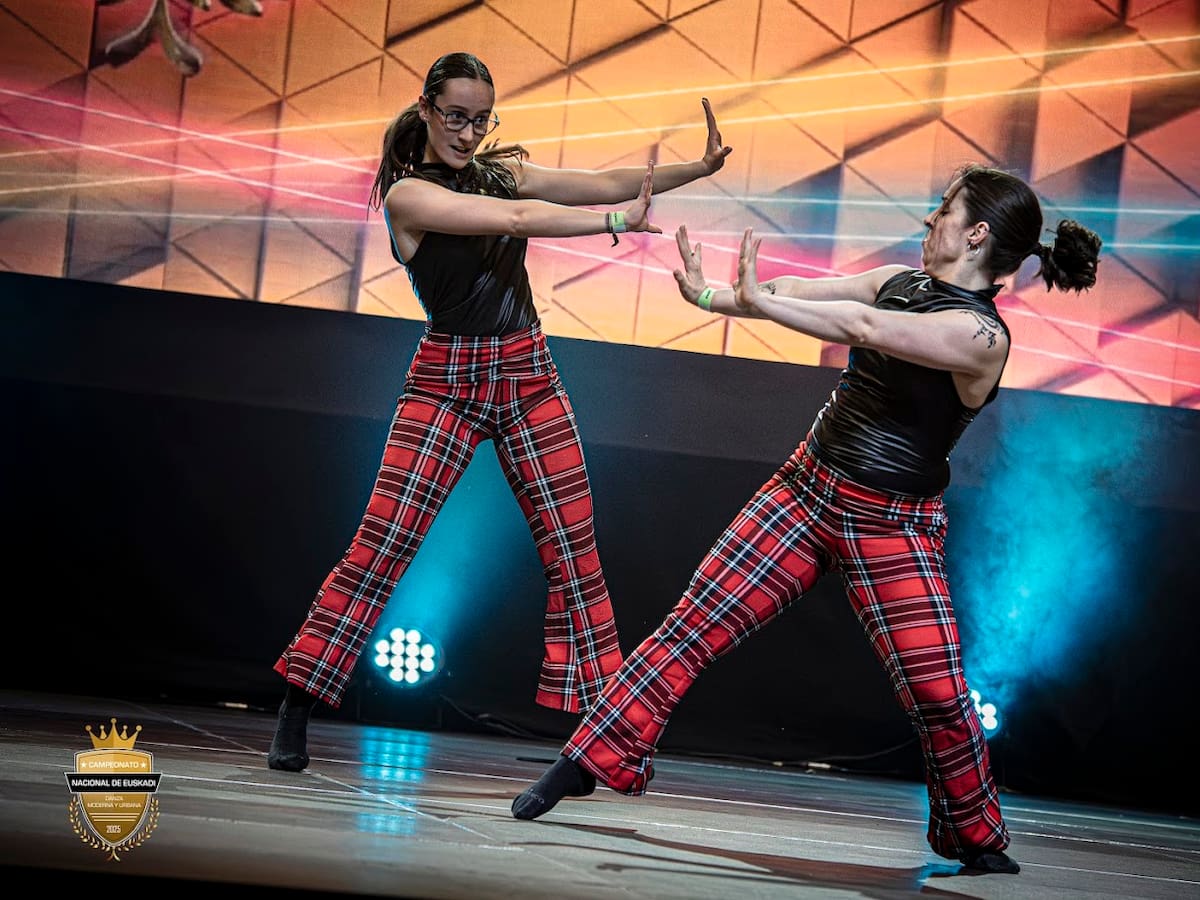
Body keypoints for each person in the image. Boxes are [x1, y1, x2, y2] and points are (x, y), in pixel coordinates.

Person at [511, 163, 1102, 876]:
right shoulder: (897, 280)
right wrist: (715, 296)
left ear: (976, 234)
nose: (929, 220)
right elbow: (800, 293)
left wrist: (758, 298)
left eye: (943, 209)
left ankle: (973, 836)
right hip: (806, 489)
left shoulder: (982, 338)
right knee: (693, 625)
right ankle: (589, 759)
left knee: (940, 695)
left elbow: (861, 326)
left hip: (893, 526)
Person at [267, 51, 733, 773]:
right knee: (382, 544)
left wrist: (693, 171)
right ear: (427, 108)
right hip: (446, 378)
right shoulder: (408, 196)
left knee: (576, 553)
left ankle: (604, 742)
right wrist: (617, 221)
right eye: (456, 116)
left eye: (481, 119)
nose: (468, 132)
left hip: (527, 372)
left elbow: (599, 181)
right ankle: (299, 699)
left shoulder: (498, 168)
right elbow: (517, 217)